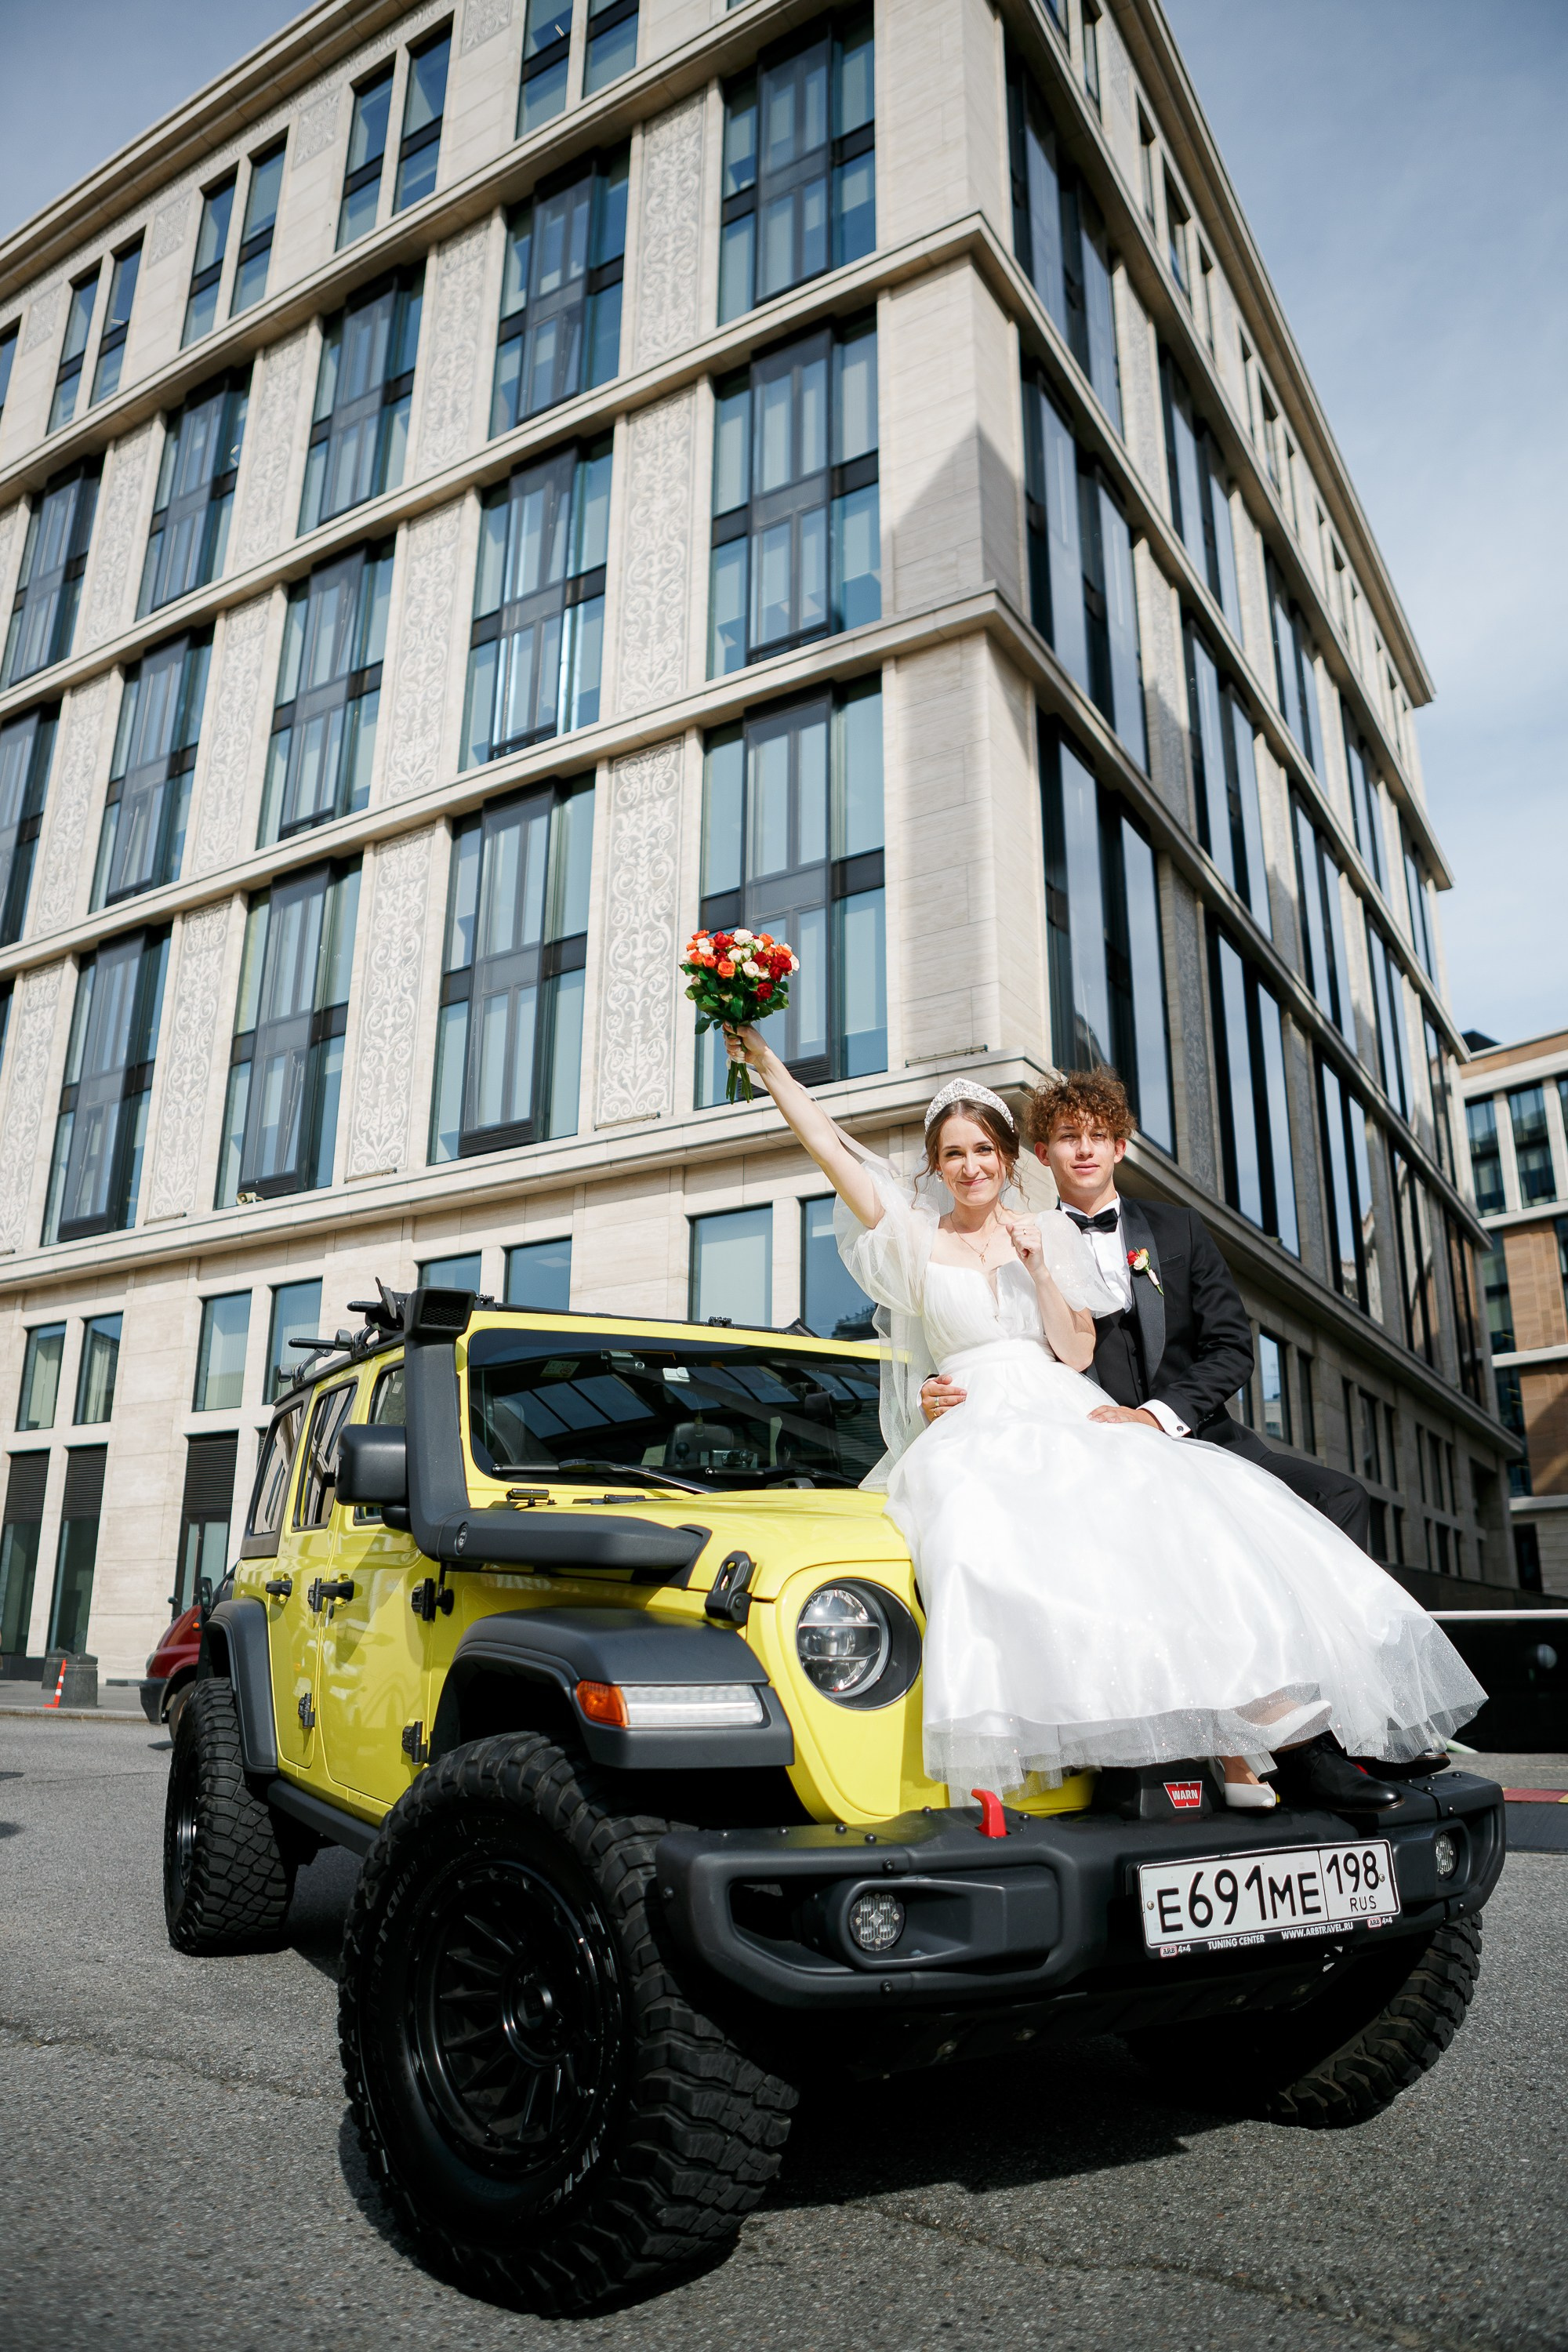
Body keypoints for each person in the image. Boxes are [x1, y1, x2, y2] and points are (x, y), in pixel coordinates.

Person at [724, 1023, 1485, 1809]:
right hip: (972, 1420)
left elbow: (1076, 1349)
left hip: (1059, 1400)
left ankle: (1267, 1737)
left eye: (982, 1150)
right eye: (952, 1154)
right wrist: (769, 1065)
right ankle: (1120, 1755)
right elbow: (829, 1147)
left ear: (1007, 1158)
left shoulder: (1046, 1231)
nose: (970, 1166)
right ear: (936, 1166)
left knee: (1165, 1522)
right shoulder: (914, 1238)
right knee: (983, 1535)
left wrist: (1038, 1270)